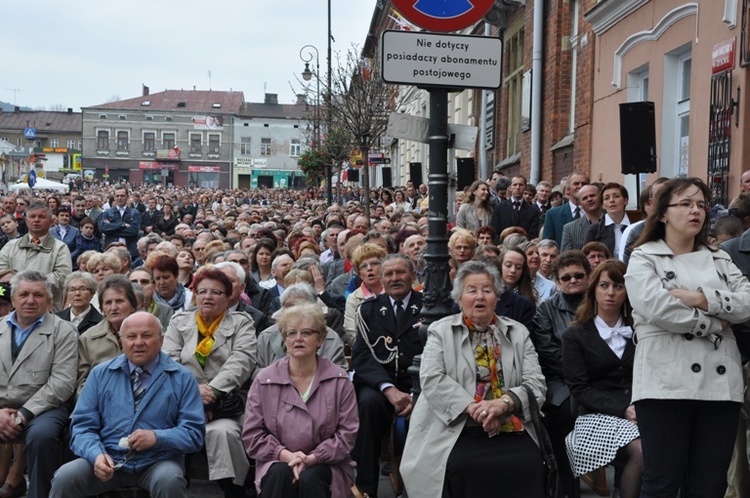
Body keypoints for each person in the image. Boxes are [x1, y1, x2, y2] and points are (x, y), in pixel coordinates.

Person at [624, 177, 750, 497]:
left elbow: (747, 302)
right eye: (685, 204)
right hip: (665, 382)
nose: (696, 211)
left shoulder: (720, 257)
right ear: (663, 213)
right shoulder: (644, 257)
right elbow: (657, 307)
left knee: (710, 484)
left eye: (701, 205)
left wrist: (700, 299)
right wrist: (714, 322)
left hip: (720, 385)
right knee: (662, 481)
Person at [401, 260, 546, 497]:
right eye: (472, 290)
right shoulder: (440, 331)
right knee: (458, 466)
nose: (480, 297)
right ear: (459, 298)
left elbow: (536, 383)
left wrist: (503, 403)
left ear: (496, 297)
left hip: (511, 424)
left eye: (487, 290)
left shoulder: (518, 332)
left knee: (529, 463)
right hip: (457, 428)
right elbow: (432, 378)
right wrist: (473, 408)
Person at [49, 312, 205, 498]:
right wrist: (96, 455)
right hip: (108, 458)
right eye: (131, 336)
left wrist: (157, 438)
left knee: (169, 480)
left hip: (158, 461)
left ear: (161, 340)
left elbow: (194, 433)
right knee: (65, 478)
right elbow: (82, 427)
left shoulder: (182, 377)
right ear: (121, 341)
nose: (138, 342)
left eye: (146, 335)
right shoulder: (100, 374)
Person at [243, 302, 358, 498]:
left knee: (311, 478)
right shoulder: (264, 379)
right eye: (291, 333)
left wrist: (313, 458)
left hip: (327, 463)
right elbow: (253, 434)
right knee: (279, 473)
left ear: (320, 339)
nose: (298, 339)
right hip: (277, 459)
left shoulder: (339, 379)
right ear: (284, 339)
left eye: (306, 333)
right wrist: (287, 456)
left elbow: (347, 433)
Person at [164, 268, 257, 497]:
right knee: (168, 428)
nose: (207, 297)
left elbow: (241, 361)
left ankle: (233, 491)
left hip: (225, 406)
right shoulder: (179, 322)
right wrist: (195, 395)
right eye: (202, 291)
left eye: (216, 292)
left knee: (221, 433)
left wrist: (213, 392)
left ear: (227, 298)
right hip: (183, 402)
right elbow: (169, 363)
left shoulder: (241, 323)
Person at [562, 259, 643, 498]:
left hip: (641, 409)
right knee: (641, 451)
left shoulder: (640, 330)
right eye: (604, 285)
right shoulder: (575, 335)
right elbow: (579, 388)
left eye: (618, 286)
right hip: (597, 416)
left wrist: (640, 406)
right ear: (594, 289)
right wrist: (624, 409)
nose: (610, 293)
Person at [0, 270, 78, 498]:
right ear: (13, 299)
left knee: (41, 436)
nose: (30, 300)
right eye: (24, 294)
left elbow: (62, 383)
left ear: (50, 300)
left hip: (44, 408)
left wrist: (24, 413)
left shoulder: (64, 331)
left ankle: (39, 493)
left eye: (38, 295)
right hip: (2, 407)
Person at [351, 254, 423, 497]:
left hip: (420, 384)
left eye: (400, 272)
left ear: (412, 276)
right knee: (368, 405)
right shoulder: (367, 310)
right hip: (380, 385)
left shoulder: (428, 306)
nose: (395, 278)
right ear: (381, 279)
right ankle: (365, 488)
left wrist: (415, 393)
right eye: (389, 274)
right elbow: (362, 356)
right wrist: (388, 389)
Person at [532, 250, 592, 497]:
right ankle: (568, 490)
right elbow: (548, 352)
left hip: (600, 380)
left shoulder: (601, 303)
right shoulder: (546, 310)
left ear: (589, 276)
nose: (573, 280)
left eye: (579, 275)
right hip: (561, 383)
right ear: (556, 281)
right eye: (565, 277)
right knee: (563, 415)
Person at [253, 283, 347, 379]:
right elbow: (257, 374)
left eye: (302, 306)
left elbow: (339, 375)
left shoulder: (330, 337)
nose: (296, 311)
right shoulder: (266, 336)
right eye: (290, 307)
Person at [0, 201, 72, 311]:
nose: (36, 220)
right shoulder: (11, 246)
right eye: (32, 216)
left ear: (51, 221)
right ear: (26, 220)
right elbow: (2, 271)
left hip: (47, 310)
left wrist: (30, 285)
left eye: (42, 217)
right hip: (12, 308)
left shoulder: (60, 248)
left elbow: (62, 276)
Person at [76, 275, 137, 397]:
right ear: (102, 308)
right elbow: (81, 384)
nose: (113, 308)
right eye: (108, 303)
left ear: (132, 305)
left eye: (119, 301)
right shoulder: (88, 338)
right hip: (99, 402)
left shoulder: (149, 332)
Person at [585, 183, 631, 259]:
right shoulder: (594, 229)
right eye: (607, 198)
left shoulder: (636, 227)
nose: (612, 200)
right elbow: (587, 257)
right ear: (602, 205)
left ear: (625, 201)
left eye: (616, 196)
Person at [543, 171, 590, 246]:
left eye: (584, 184)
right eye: (576, 183)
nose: (580, 186)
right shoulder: (553, 214)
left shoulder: (596, 213)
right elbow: (547, 245)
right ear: (567, 189)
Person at [490, 176, 541, 240]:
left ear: (525, 187)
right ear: (510, 188)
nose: (517, 187)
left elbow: (533, 234)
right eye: (515, 185)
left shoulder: (533, 210)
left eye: (521, 185)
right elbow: (494, 231)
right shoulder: (499, 208)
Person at [98, 187, 142, 260]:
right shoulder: (107, 212)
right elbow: (103, 228)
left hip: (130, 251)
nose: (119, 198)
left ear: (127, 197)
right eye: (117, 196)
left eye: (122, 196)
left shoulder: (135, 213)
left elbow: (134, 231)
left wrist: (111, 229)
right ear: (114, 197)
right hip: (111, 251)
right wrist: (122, 225)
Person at [561, 184, 603, 252]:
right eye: (585, 198)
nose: (589, 199)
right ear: (579, 203)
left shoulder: (613, 222)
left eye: (592, 195)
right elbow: (566, 258)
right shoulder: (570, 229)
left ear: (600, 197)